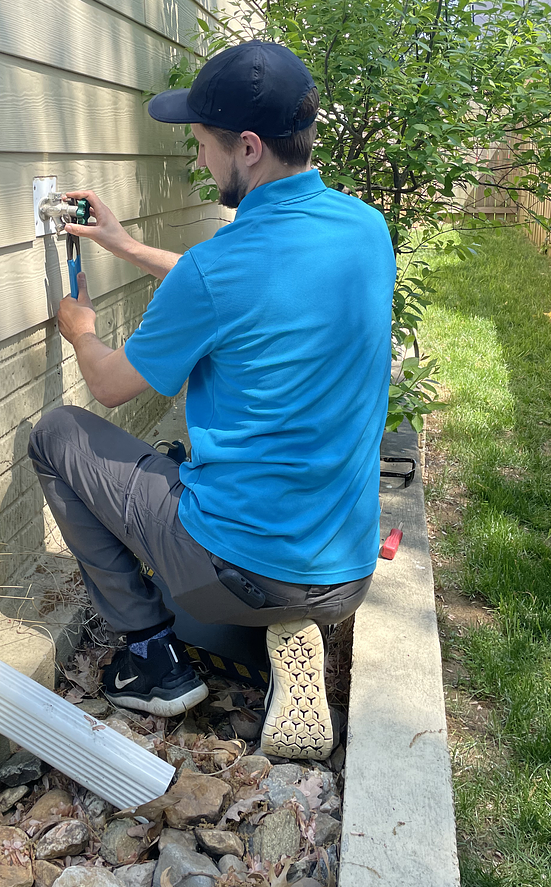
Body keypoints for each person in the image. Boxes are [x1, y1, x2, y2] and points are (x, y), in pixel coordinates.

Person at [28, 39, 395, 760]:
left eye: (203, 145)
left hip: (240, 572)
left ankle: (151, 656)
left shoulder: (215, 270)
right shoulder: (364, 230)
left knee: (58, 435)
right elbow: (255, 290)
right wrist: (129, 248)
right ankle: (286, 638)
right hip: (346, 570)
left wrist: (81, 331)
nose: (200, 160)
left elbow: (107, 385)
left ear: (249, 149)